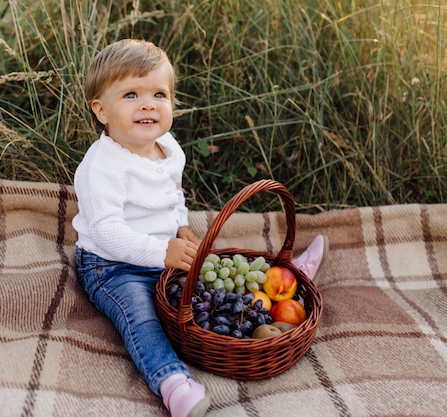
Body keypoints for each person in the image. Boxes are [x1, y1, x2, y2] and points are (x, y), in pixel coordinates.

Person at [72, 39, 328, 417]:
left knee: (215, 283)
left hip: (165, 250)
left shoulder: (168, 146)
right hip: (111, 265)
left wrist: (179, 225)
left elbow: (173, 194)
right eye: (130, 94)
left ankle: (280, 280)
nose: (148, 104)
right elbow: (107, 231)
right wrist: (162, 253)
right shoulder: (101, 168)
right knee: (139, 316)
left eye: (159, 93)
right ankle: (174, 384)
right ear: (101, 110)